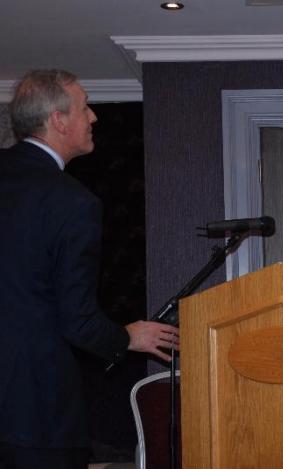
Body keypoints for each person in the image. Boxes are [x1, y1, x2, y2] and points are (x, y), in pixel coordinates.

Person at [0, 70, 179, 469]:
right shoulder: (72, 202)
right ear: (59, 121)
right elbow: (76, 320)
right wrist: (127, 337)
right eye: (84, 107)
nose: (94, 116)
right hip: (35, 416)